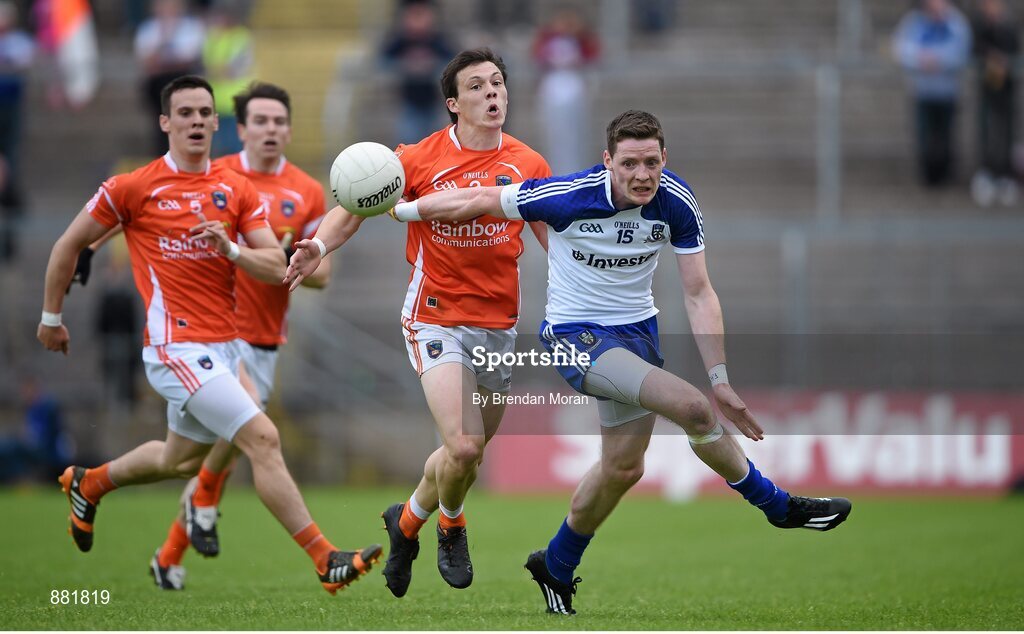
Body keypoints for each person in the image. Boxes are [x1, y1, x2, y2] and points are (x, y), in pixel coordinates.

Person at [380, 110, 853, 614]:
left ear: (664, 159)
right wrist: (403, 210)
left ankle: (555, 566)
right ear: (608, 162)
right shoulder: (567, 195)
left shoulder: (676, 201)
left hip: (637, 337)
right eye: (629, 163)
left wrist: (721, 377)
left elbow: (698, 292)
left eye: (651, 162)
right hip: (573, 339)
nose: (642, 174)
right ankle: (777, 506)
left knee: (623, 469)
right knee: (692, 409)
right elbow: (477, 199)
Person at [37, 75, 379, 594]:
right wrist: (51, 318)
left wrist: (234, 251)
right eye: (186, 113)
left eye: (203, 113)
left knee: (180, 461)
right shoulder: (134, 186)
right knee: (262, 438)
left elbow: (273, 263)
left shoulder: (234, 190)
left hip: (227, 348)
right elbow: (70, 242)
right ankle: (324, 557)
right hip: (175, 346)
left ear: (215, 123)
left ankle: (90, 483)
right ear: (165, 122)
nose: (196, 121)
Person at [284, 48, 551, 597]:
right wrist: (317, 243)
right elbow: (355, 201)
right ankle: (451, 525)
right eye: (476, 87)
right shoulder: (418, 157)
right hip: (435, 317)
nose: (492, 93)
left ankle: (405, 523)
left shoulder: (529, 164)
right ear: (453, 104)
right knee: (463, 447)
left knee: (466, 452)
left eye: (498, 83)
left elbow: (555, 241)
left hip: (499, 324)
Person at [149, 80, 333, 590]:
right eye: (260, 121)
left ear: (289, 130)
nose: (270, 129)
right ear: (242, 128)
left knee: (213, 450)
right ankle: (208, 507)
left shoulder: (307, 191)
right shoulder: (217, 178)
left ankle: (167, 550)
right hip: (218, 337)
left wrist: (292, 254)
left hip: (269, 337)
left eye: (278, 121)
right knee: (250, 439)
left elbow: (322, 275)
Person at [892, 0, 972, 187]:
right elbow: (900, 47)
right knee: (924, 136)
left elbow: (961, 49)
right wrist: (920, 59)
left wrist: (938, 60)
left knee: (946, 136)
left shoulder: (955, 22)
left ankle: (946, 175)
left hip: (947, 92)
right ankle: (928, 177)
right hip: (923, 91)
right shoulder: (914, 21)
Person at [531, 7, 600, 175]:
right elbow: (537, 57)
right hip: (553, 86)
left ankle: (577, 169)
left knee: (576, 133)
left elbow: (593, 57)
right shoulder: (548, 39)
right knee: (555, 133)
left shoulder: (581, 40)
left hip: (574, 86)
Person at [133, 0, 205, 154]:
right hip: (157, 85)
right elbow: (147, 62)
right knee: (161, 124)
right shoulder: (148, 29)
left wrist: (161, 61)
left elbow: (189, 60)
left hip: (181, 83)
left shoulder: (190, 27)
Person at [379, 1, 455, 145]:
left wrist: (432, 67)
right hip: (409, 104)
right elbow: (382, 62)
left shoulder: (438, 41)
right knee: (409, 142)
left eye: (422, 15)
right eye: (414, 15)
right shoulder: (400, 41)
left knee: (440, 144)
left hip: (436, 104)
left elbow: (454, 62)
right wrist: (405, 67)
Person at [970, 0, 1019, 207]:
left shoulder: (1008, 29)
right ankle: (986, 172)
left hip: (1006, 91)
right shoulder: (980, 29)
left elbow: (1014, 53)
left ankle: (1006, 175)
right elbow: (976, 51)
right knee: (986, 130)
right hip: (987, 90)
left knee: (1007, 131)